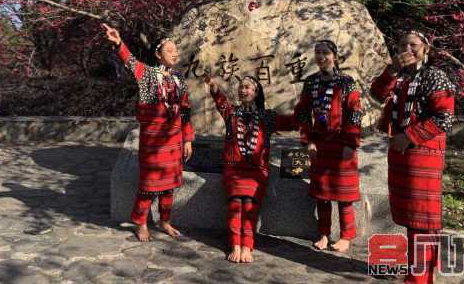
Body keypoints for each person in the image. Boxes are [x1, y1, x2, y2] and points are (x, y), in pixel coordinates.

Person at [370, 31, 456, 284]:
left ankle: (419, 277)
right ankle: (423, 268)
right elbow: (377, 94)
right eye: (402, 45)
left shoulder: (435, 75)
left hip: (423, 151)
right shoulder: (401, 75)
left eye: (413, 45)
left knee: (422, 217)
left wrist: (409, 137)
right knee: (411, 216)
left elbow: (445, 117)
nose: (407, 48)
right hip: (401, 154)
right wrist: (392, 69)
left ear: (426, 48)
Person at [102, 23, 194, 242]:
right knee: (148, 186)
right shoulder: (148, 75)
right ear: (158, 54)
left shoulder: (179, 80)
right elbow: (131, 62)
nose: (175, 53)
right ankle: (141, 222)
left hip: (174, 142)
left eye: (176, 50)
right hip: (153, 143)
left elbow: (186, 110)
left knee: (170, 186)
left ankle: (164, 220)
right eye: (170, 50)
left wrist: (188, 139)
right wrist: (119, 43)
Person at [204, 72, 298, 263]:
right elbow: (219, 99)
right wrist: (213, 85)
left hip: (256, 172)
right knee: (235, 205)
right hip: (234, 170)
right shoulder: (231, 113)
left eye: (247, 87)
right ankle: (235, 245)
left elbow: (291, 122)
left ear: (256, 92)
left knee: (250, 207)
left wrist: (306, 111)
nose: (242, 89)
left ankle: (247, 245)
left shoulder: (267, 117)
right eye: (241, 87)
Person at [293, 40, 362, 253]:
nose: (321, 56)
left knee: (344, 195)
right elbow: (303, 112)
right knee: (322, 194)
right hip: (320, 143)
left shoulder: (347, 82)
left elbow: (355, 112)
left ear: (335, 56)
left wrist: (351, 143)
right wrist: (308, 141)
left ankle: (346, 236)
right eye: (317, 52)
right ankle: (323, 233)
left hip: (342, 143)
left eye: (325, 52)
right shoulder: (311, 82)